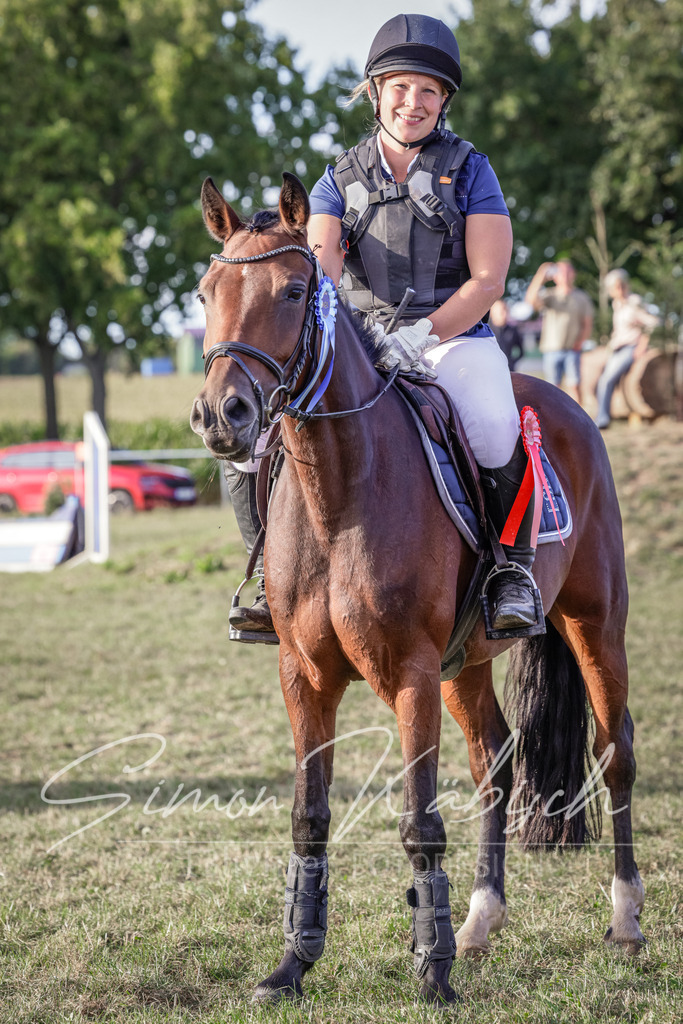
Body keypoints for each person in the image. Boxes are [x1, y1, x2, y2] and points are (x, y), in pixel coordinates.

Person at [230, 13, 545, 641]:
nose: (414, 102)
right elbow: (322, 265)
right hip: (360, 346)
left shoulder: (472, 170)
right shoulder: (335, 181)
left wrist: (423, 334)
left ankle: (511, 571)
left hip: (452, 340)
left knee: (490, 423)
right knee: (256, 444)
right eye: (401, 86)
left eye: (429, 91)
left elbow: (487, 282)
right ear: (376, 92)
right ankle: (269, 574)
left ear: (444, 102)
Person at [594, 269, 659, 429]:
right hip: (616, 349)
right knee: (600, 378)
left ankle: (602, 419)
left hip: (630, 348)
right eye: (616, 287)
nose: (620, 289)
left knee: (606, 380)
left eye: (622, 285)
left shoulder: (634, 302)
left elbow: (652, 323)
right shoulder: (617, 304)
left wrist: (642, 345)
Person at [524, 260, 593, 404]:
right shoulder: (550, 296)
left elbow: (587, 324)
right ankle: (556, 423)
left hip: (572, 349)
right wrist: (540, 276)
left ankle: (578, 424)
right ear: (555, 276)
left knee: (574, 385)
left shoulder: (582, 297)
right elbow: (530, 301)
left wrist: (579, 343)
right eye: (561, 272)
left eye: (568, 271)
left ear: (573, 274)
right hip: (552, 349)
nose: (565, 275)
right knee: (553, 388)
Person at [489, 299, 524, 370]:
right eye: (501, 312)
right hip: (490, 370)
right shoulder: (486, 331)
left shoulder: (513, 330)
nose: (504, 314)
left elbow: (521, 351)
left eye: (506, 311)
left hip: (509, 370)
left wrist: (512, 362)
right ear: (492, 313)